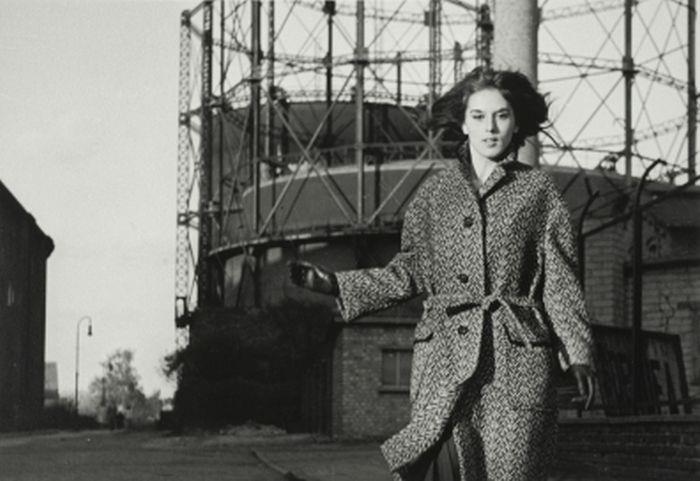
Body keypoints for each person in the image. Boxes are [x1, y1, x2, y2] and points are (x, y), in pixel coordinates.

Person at [289, 67, 595, 481]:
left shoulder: (539, 193)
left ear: (516, 122)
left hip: (516, 365)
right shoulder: (434, 195)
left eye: (502, 116)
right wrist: (336, 283)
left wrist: (578, 353)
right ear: (463, 124)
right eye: (479, 116)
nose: (491, 128)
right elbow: (409, 271)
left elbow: (560, 282)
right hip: (444, 364)